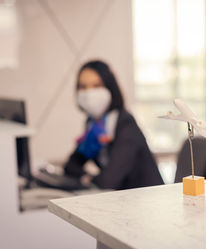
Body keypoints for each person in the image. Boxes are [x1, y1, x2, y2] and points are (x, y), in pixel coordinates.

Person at [64, 60, 164, 190]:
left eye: (97, 85)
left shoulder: (125, 124)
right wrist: (87, 177)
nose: (89, 92)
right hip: (119, 199)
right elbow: (71, 166)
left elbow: (108, 181)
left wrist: (87, 178)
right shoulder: (93, 125)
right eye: (83, 87)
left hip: (146, 201)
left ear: (110, 87)